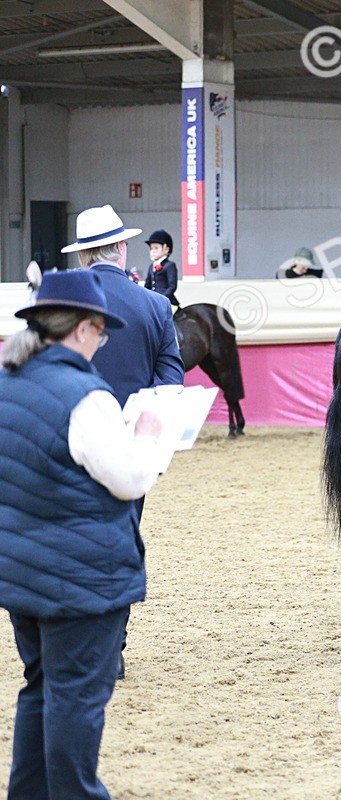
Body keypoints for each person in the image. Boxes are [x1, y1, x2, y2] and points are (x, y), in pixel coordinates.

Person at [0, 269, 165, 800]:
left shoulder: (7, 382)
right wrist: (148, 438)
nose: (102, 342)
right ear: (81, 329)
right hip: (80, 579)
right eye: (101, 332)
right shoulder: (86, 397)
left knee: (42, 689)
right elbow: (129, 480)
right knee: (76, 700)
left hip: (22, 570)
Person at [64, 204, 184, 680]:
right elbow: (170, 382)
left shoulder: (64, 306)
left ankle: (75, 643)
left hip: (68, 442)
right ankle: (113, 647)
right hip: (129, 447)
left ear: (83, 258)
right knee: (120, 541)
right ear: (120, 248)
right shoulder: (154, 305)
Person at [143, 229, 180, 307]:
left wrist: (161, 298)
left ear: (166, 249)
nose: (153, 251)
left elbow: (172, 287)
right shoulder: (151, 266)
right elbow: (147, 285)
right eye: (151, 248)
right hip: (153, 301)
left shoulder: (170, 265)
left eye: (156, 248)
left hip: (167, 301)